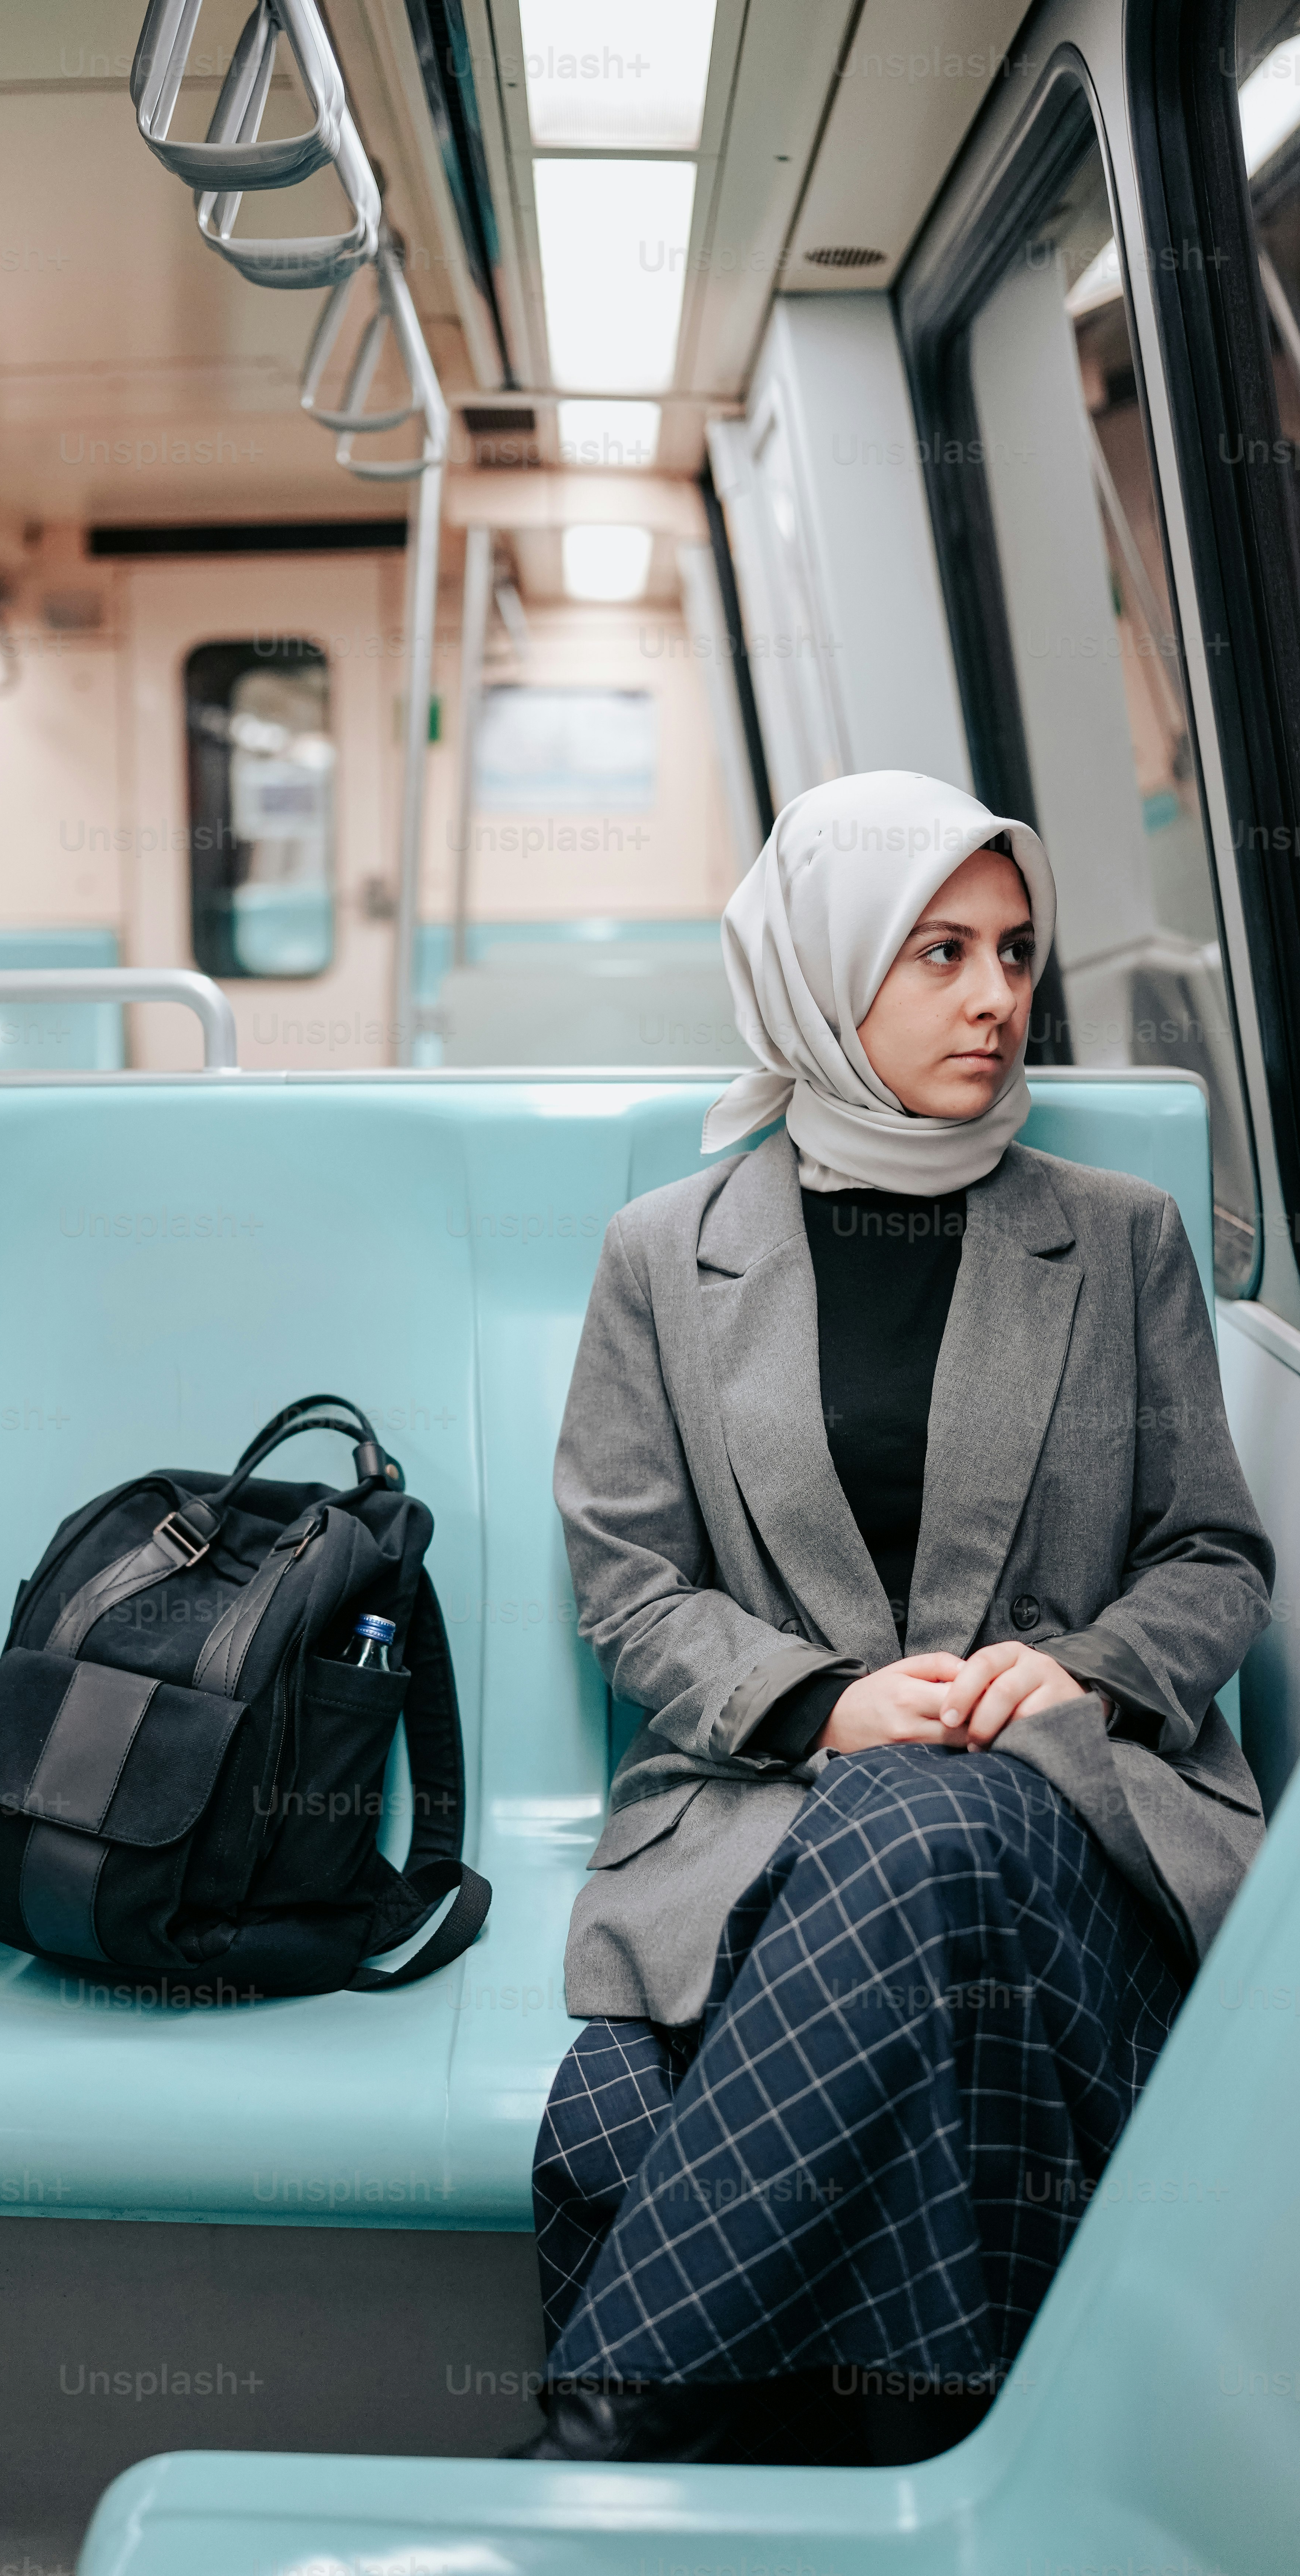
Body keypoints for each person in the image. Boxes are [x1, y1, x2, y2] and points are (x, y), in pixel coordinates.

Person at [519, 771, 1271, 2468]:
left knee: (937, 1819)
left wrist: (1073, 1669)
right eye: (939, 952)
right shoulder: (667, 1252)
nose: (999, 997)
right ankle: (918, 2488)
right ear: (821, 972)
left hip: (1070, 1828)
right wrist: (816, 1707)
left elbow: (1218, 1554)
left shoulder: (1119, 1238)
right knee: (616, 2123)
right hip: (773, 1823)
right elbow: (630, 1582)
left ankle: (596, 2455)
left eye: (1015, 951)